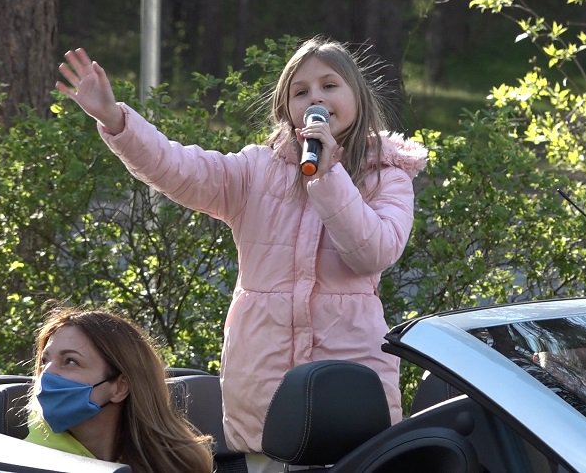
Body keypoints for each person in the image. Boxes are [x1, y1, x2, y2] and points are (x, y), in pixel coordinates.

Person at [55, 35, 427, 472]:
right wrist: (116, 119)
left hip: (350, 394)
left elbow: (374, 252)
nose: (316, 98)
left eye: (330, 86)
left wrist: (328, 178)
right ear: (285, 105)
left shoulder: (387, 175)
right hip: (265, 394)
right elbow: (177, 168)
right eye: (301, 90)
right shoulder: (255, 171)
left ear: (357, 97)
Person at [25, 305, 213, 473]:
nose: (46, 374)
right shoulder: (24, 463)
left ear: (120, 387)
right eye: (44, 361)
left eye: (70, 361)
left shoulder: (174, 465)